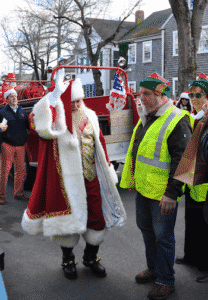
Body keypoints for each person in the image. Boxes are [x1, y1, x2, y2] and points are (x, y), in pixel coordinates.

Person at [21, 69, 126, 279]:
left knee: (97, 219)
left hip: (92, 176)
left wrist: (108, 169)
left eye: (79, 101)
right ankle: (67, 259)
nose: (76, 105)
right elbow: (35, 124)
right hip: (65, 181)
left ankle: (90, 256)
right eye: (72, 101)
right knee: (67, 222)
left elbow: (100, 144)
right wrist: (51, 97)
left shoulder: (92, 116)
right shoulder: (57, 121)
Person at [120, 72, 192, 300]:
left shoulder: (176, 118)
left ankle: (165, 280)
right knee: (148, 233)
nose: (140, 98)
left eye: (145, 94)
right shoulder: (148, 115)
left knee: (163, 238)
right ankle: (154, 269)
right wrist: (132, 180)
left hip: (162, 194)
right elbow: (139, 151)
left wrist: (171, 194)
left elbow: (184, 161)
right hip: (144, 190)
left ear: (160, 96)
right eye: (140, 93)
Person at [175, 73, 208, 282]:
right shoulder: (190, 117)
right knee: (191, 221)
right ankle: (191, 256)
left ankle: (205, 265)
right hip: (191, 181)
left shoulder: (203, 119)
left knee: (204, 225)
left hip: (204, 184)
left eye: (200, 95)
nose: (195, 98)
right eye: (192, 94)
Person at [0, 89, 30, 205]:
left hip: (20, 146)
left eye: (15, 96)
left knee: (20, 171)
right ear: (7, 100)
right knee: (5, 171)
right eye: (11, 97)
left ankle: (18, 193)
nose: (14, 98)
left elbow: (28, 126)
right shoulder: (3, 113)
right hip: (7, 145)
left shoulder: (22, 111)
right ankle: (1, 196)